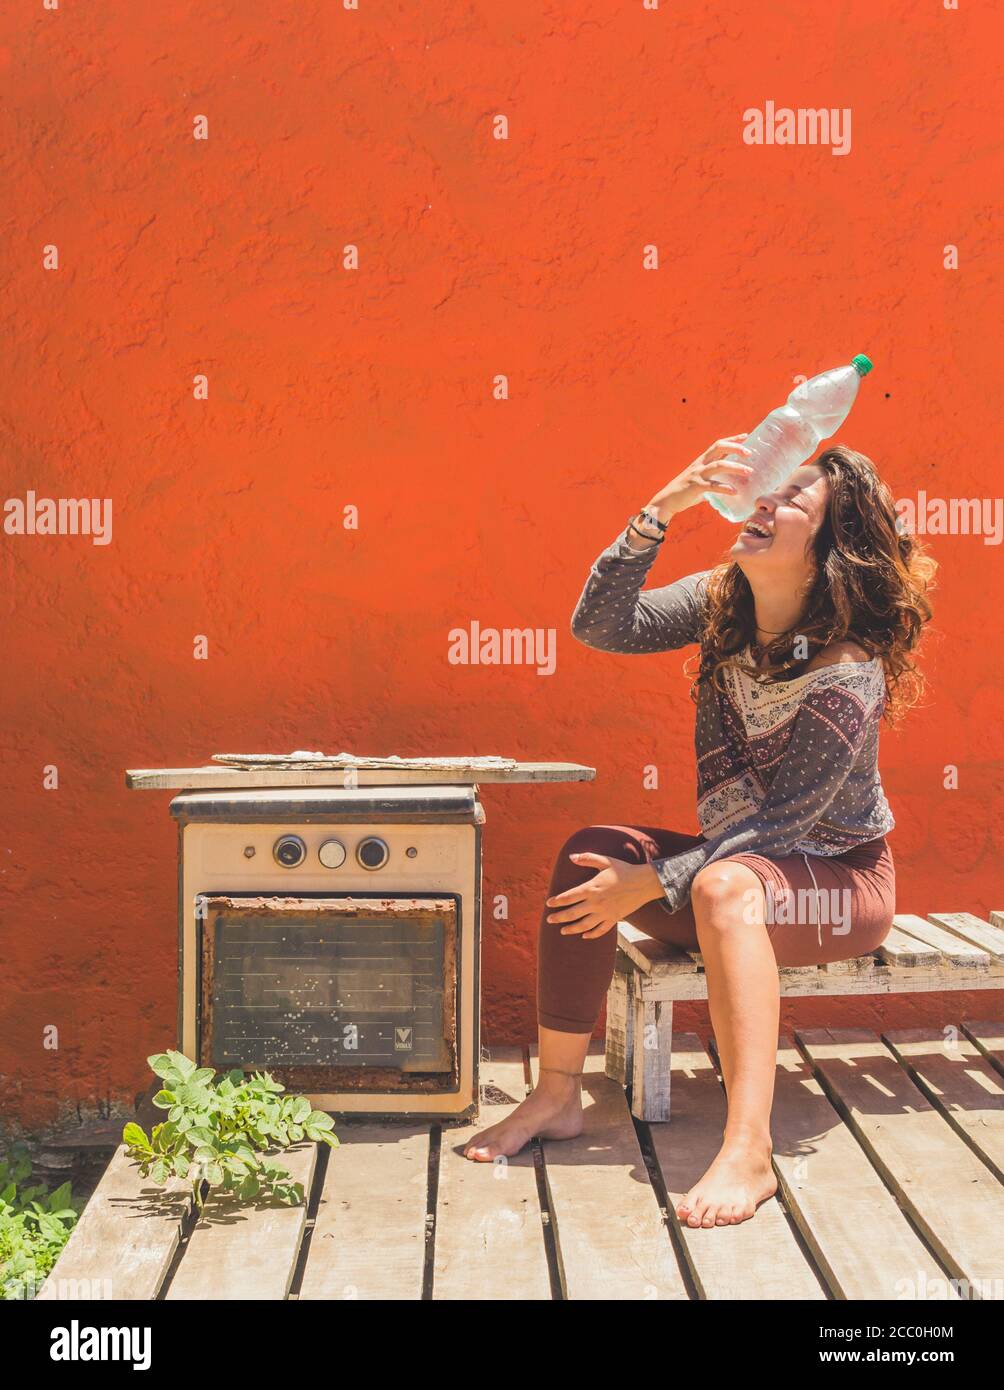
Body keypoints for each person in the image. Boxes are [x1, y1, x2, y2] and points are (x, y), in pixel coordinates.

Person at [464, 436, 937, 1228]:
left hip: (838, 884)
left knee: (720, 882)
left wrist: (656, 882)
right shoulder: (725, 601)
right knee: (594, 853)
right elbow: (600, 624)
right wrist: (660, 511)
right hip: (741, 876)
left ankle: (749, 1150)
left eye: (793, 500)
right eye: (769, 489)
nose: (765, 501)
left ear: (828, 552)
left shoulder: (847, 667)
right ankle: (555, 1096)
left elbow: (781, 825)